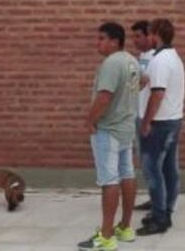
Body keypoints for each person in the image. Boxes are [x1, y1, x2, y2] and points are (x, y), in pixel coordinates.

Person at [78, 22, 140, 251]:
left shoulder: (111, 63)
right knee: (127, 174)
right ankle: (125, 227)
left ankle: (106, 236)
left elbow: (104, 97)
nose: (98, 43)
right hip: (126, 128)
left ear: (115, 41)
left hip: (109, 130)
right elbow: (142, 82)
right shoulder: (131, 60)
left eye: (102, 38)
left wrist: (89, 120)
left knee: (109, 181)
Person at [137, 18, 185, 236]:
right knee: (168, 169)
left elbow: (158, 93)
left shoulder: (160, 60)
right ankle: (165, 211)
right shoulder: (174, 57)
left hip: (160, 123)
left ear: (155, 34)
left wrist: (146, 121)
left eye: (149, 33)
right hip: (174, 119)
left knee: (152, 170)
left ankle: (159, 218)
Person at [129, 19, 155, 212]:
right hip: (138, 114)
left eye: (138, 36)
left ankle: (158, 200)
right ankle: (154, 196)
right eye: (133, 36)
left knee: (150, 159)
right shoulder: (141, 57)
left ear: (149, 36)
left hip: (149, 117)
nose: (134, 40)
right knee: (144, 158)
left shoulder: (156, 57)